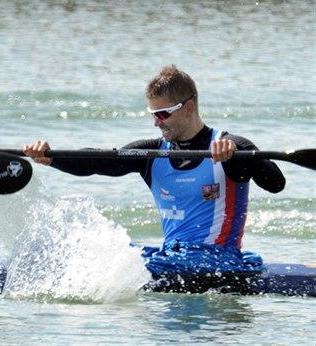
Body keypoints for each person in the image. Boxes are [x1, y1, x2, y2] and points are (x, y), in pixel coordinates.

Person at [23, 65, 286, 291]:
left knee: (115, 269)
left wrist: (240, 156)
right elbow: (100, 161)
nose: (156, 123)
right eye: (152, 115)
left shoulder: (230, 145)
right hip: (172, 257)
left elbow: (276, 184)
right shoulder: (152, 153)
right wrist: (52, 158)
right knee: (99, 253)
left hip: (219, 262)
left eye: (162, 114)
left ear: (189, 107)